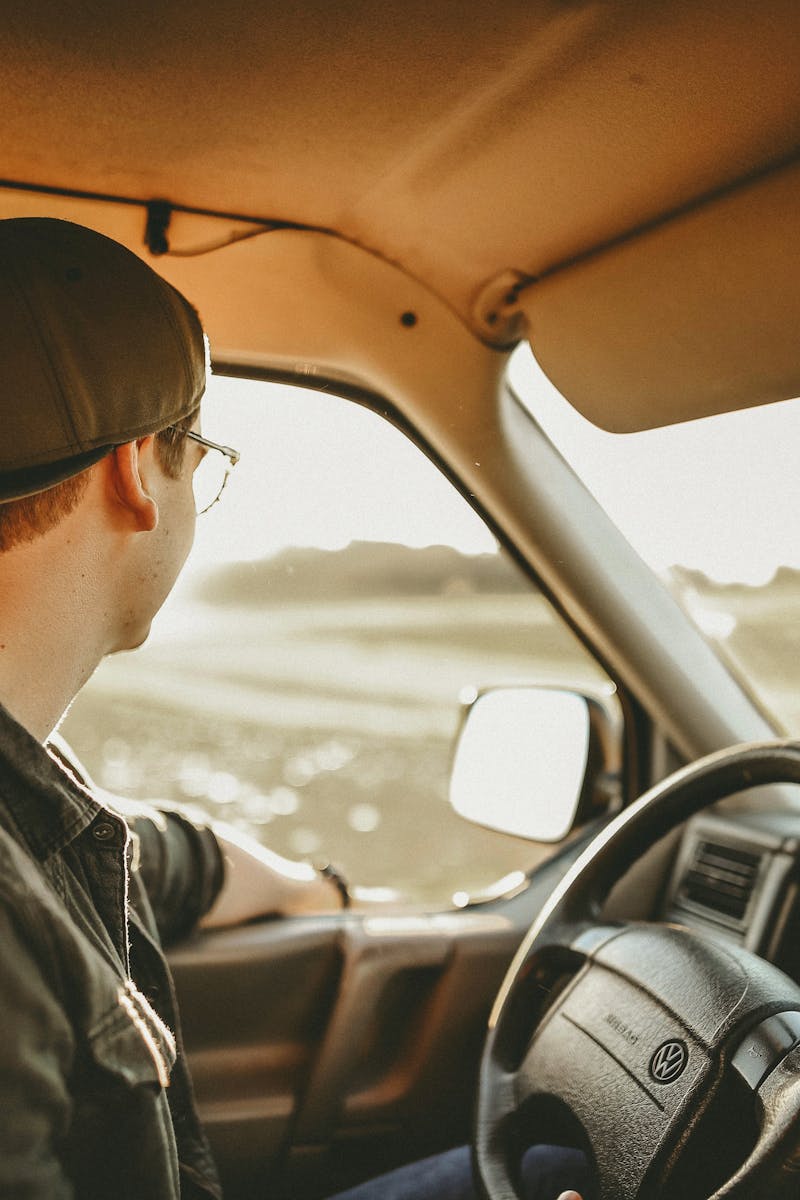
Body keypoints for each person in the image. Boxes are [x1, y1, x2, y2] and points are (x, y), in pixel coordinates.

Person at [0, 217, 589, 1198]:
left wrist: (317, 892)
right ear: (136, 472)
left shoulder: (34, 802)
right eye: (200, 460)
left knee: (539, 1167)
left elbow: (159, 856)